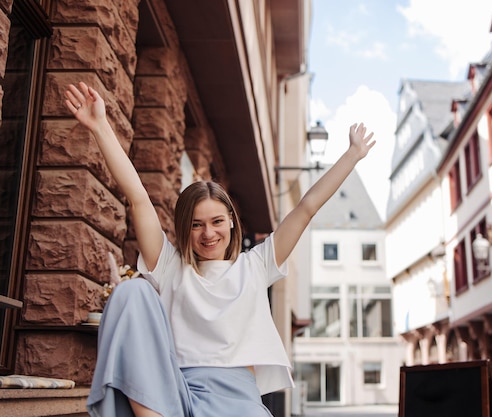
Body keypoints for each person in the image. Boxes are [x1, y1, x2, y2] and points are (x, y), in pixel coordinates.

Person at [64, 81, 375, 417]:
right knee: (132, 293)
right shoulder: (170, 267)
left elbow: (306, 208)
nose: (208, 233)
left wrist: (352, 156)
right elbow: (138, 196)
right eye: (196, 225)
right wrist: (100, 127)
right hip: (177, 394)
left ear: (231, 221)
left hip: (238, 403)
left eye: (216, 222)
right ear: (185, 229)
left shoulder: (256, 265)